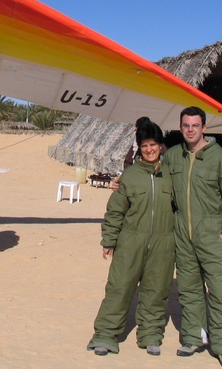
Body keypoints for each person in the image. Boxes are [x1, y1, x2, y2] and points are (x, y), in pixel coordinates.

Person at [163, 106, 222, 369]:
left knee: (221, 293)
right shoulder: (174, 156)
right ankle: (192, 337)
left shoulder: (221, 159)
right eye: (186, 125)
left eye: (195, 125)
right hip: (183, 236)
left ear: (204, 128)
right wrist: (126, 181)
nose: (190, 130)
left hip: (213, 236)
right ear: (180, 127)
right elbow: (154, 178)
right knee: (189, 291)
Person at [87, 120, 175, 356]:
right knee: (119, 287)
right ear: (139, 147)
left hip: (163, 243)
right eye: (145, 145)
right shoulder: (130, 176)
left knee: (156, 289)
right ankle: (105, 335)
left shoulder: (172, 176)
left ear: (161, 146)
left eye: (153, 144)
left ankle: (150, 334)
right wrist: (109, 239)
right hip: (130, 242)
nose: (149, 149)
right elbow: (115, 211)